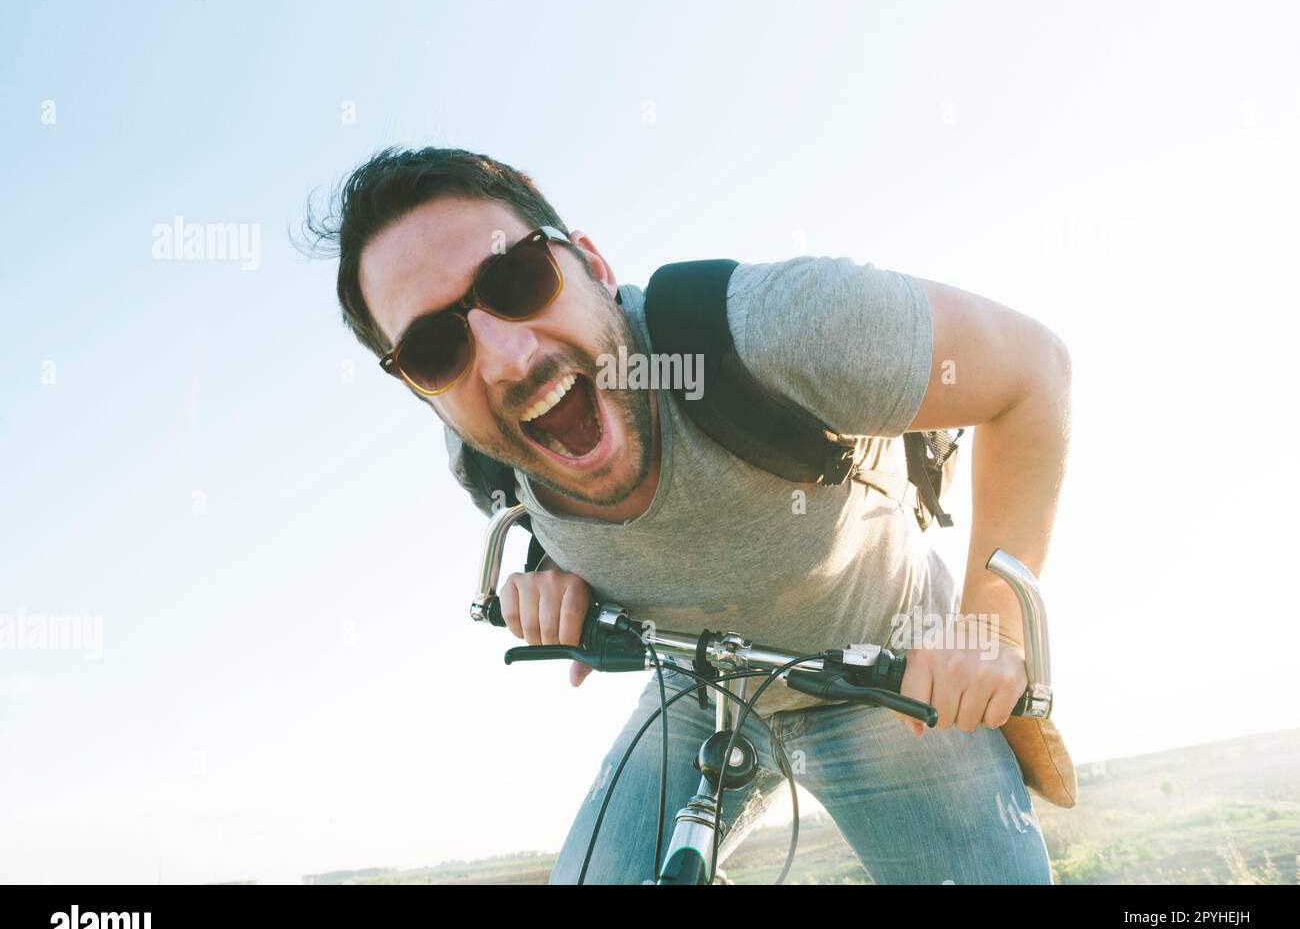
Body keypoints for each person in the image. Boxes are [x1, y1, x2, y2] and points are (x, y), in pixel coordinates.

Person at [307, 145, 1072, 884]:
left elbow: (1032, 371)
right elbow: (552, 529)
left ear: (593, 266)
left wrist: (993, 629)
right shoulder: (485, 454)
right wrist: (553, 577)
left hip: (890, 682)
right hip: (696, 696)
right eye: (435, 349)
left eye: (515, 278)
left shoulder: (776, 329)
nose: (509, 359)